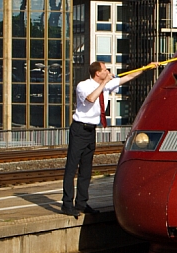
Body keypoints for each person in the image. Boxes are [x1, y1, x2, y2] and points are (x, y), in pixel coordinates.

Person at [62, 61, 145, 217]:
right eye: (105, 70)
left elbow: (128, 77)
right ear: (97, 73)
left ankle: (81, 203)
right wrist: (105, 83)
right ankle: (67, 204)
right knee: (72, 166)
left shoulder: (106, 84)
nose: (108, 71)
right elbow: (91, 99)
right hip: (79, 128)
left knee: (86, 169)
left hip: (91, 130)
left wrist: (146, 67)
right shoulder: (83, 85)